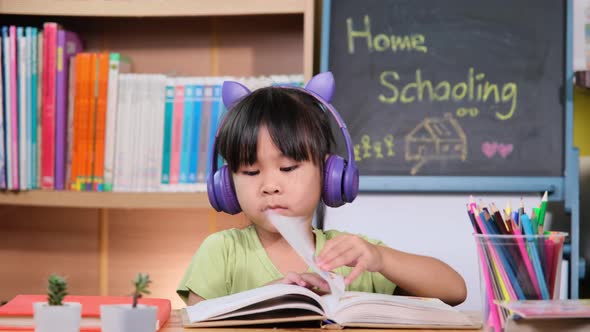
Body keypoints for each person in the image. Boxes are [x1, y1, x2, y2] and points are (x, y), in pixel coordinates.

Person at [177, 72, 467, 307]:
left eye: (288, 168)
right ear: (227, 183)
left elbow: (455, 291)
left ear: (329, 174)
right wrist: (264, 298)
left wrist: (381, 258)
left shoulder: (353, 255)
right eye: (251, 172)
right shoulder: (222, 252)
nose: (269, 186)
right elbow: (197, 323)